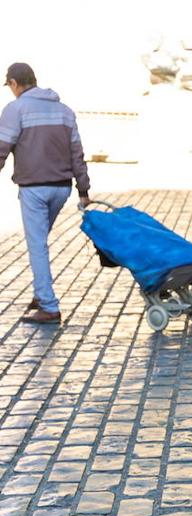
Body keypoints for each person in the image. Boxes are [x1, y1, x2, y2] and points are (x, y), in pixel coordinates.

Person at [0, 62, 91, 325]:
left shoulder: (15, 109)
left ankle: (49, 306)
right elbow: (77, 153)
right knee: (38, 241)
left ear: (15, 84)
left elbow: (2, 148)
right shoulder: (64, 111)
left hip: (34, 190)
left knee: (37, 244)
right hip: (61, 189)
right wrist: (83, 189)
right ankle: (41, 294)